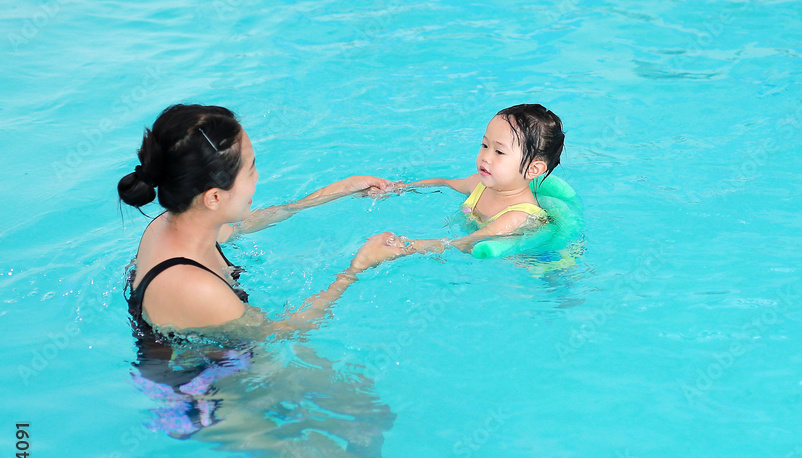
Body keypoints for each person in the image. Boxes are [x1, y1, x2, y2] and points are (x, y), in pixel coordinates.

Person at [119, 103, 411, 338]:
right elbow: (280, 332)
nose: (257, 177)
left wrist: (342, 189)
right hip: (203, 389)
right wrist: (356, 268)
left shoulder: (179, 221)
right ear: (214, 198)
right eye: (251, 169)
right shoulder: (199, 288)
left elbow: (246, 225)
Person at [382, 104, 565, 254]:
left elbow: (463, 244)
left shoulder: (518, 216)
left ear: (533, 169)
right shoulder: (478, 184)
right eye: (485, 145)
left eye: (499, 151)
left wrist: (403, 247)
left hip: (533, 265)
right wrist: (399, 188)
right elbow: (444, 183)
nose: (486, 156)